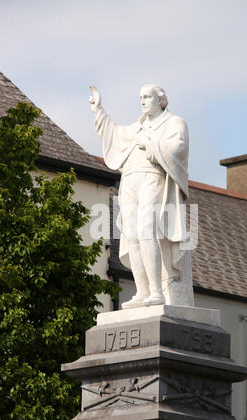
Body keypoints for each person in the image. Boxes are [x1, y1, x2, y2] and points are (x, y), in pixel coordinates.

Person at [89, 84, 194, 309]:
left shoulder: (174, 122)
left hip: (152, 177)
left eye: (147, 97)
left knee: (147, 229)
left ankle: (157, 291)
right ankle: (143, 290)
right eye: (141, 97)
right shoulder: (137, 127)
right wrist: (98, 109)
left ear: (160, 99)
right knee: (132, 234)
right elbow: (113, 133)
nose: (143, 101)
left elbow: (178, 149)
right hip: (129, 180)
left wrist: (151, 144)